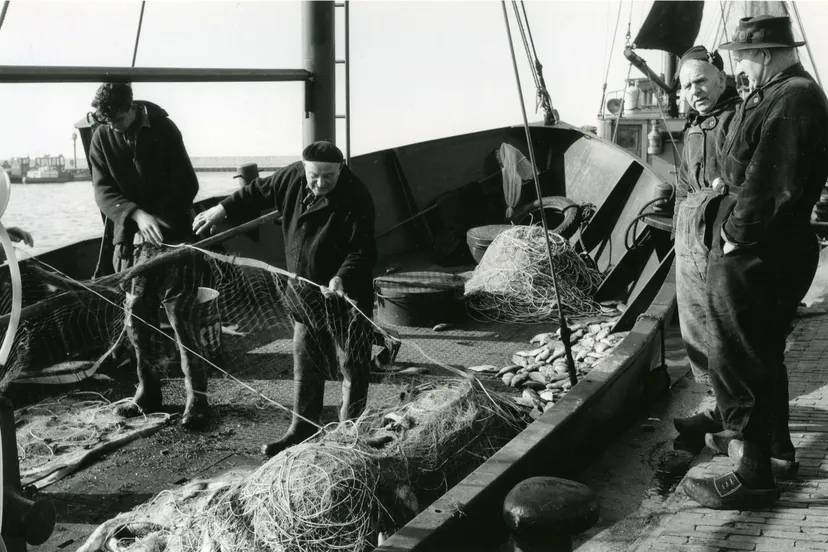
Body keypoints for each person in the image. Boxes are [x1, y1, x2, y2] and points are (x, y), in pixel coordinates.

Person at [682, 15, 828, 510]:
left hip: (758, 253)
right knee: (762, 354)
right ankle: (777, 453)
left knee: (734, 357)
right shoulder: (784, 92)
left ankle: (752, 473)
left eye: (742, 57)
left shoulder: (793, 98)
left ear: (763, 54)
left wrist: (731, 237)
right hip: (769, 250)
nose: (738, 67)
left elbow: (772, 187)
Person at [193, 141, 376, 457]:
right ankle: (302, 428)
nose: (320, 184)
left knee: (353, 365)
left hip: (346, 296)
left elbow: (363, 249)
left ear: (341, 169)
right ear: (303, 168)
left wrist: (341, 277)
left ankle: (350, 434)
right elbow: (254, 193)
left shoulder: (357, 195)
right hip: (305, 295)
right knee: (306, 362)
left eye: (328, 178)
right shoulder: (291, 177)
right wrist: (221, 209)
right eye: (314, 176)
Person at [88, 82, 210, 430]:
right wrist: (135, 215)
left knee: (181, 317)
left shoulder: (164, 128)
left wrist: (159, 218)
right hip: (132, 240)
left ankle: (196, 398)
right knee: (138, 316)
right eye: (104, 120)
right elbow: (103, 189)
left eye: (117, 118)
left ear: (132, 108)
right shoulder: (102, 136)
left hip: (172, 239)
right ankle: (148, 390)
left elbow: (187, 182)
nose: (111, 126)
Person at [670, 46, 741, 442]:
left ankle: (738, 421)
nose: (694, 90)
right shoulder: (694, 126)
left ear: (721, 81)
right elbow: (683, 180)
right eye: (687, 86)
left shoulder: (736, 119)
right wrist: (679, 227)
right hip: (691, 238)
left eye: (701, 81)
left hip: (721, 238)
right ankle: (720, 407)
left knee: (726, 328)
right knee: (697, 326)